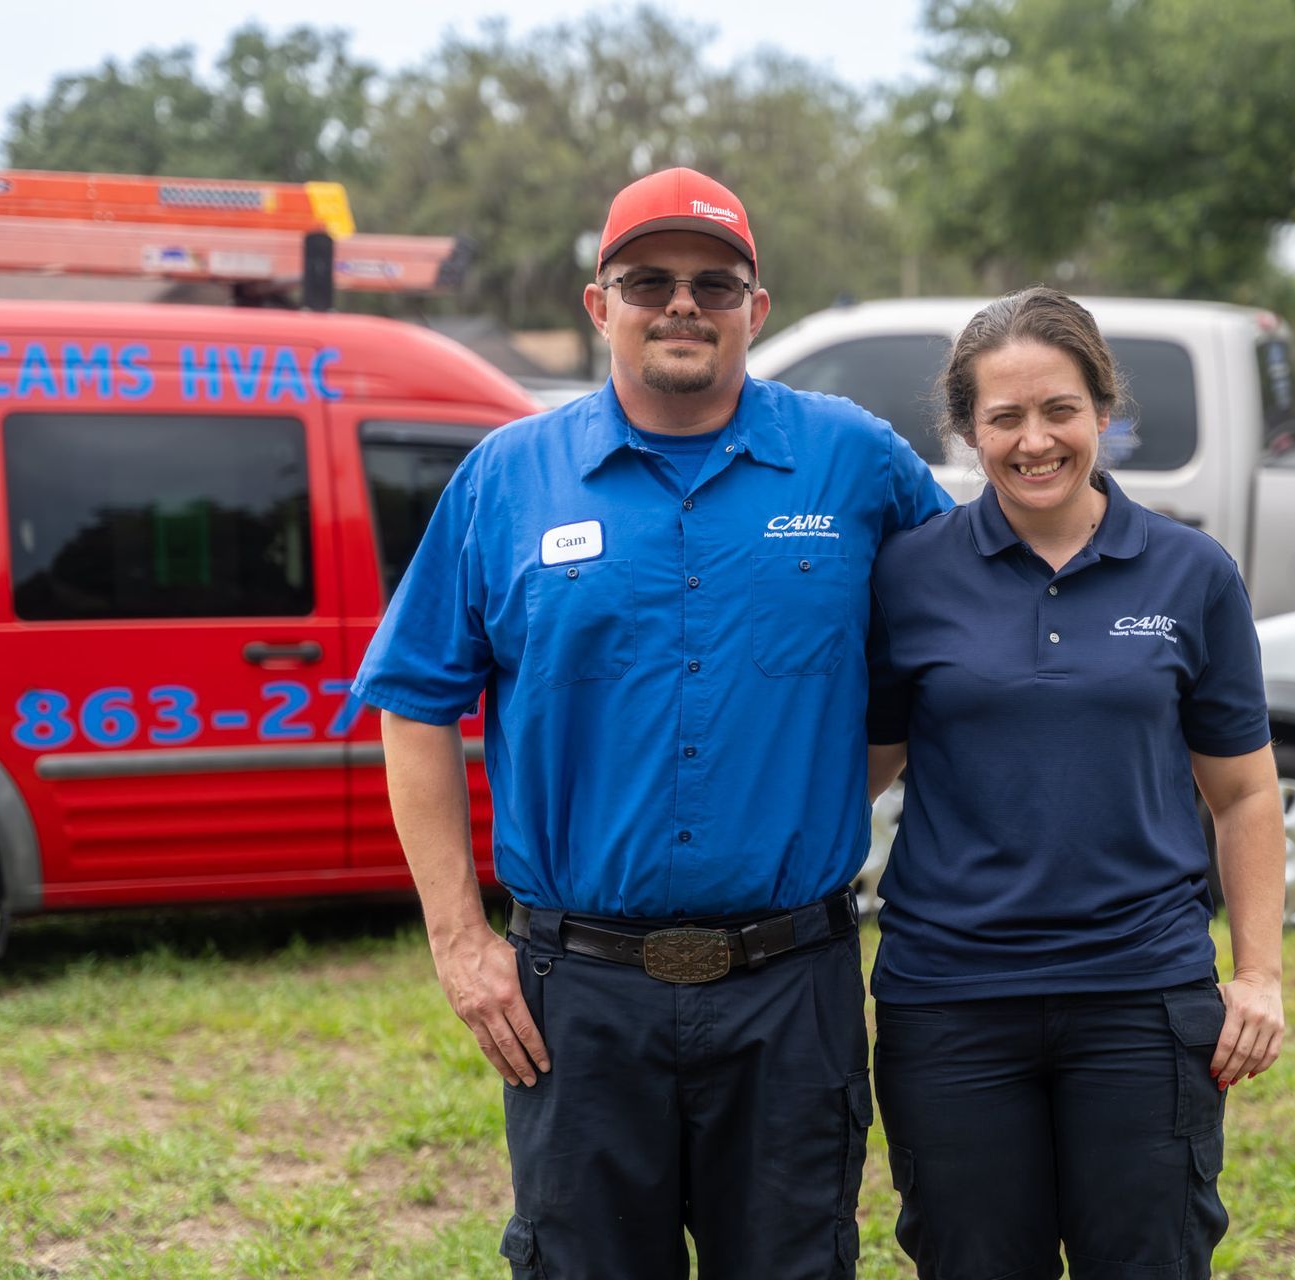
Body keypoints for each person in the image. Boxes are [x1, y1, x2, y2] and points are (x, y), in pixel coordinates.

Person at [351, 167, 951, 1279]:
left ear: (755, 310)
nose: (683, 304)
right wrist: (459, 941)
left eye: (715, 284)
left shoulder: (856, 462)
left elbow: (965, 632)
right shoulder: (505, 480)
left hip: (792, 989)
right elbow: (415, 703)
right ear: (601, 304)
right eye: (650, 280)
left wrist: (822, 780)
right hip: (576, 998)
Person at [865, 286, 1287, 1280]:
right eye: (1004, 416)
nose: (1035, 439)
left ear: (1105, 409)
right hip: (950, 1001)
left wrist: (1259, 974)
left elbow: (1245, 793)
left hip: (1142, 999)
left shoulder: (1191, 572)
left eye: (1059, 408)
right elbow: (861, 771)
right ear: (968, 430)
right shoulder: (907, 576)